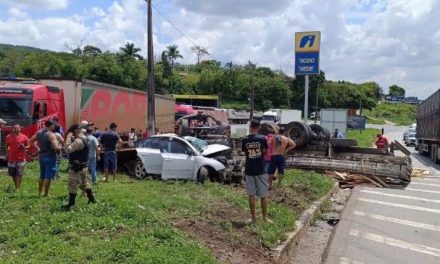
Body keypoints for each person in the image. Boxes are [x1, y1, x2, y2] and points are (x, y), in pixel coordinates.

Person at [61, 124, 96, 211]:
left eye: (72, 132)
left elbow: (67, 150)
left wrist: (68, 139)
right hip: (83, 166)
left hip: (77, 168)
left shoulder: (78, 141)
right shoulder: (83, 138)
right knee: (84, 184)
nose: (72, 134)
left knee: (72, 184)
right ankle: (92, 199)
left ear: (76, 131)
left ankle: (71, 203)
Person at [242, 119, 269, 224]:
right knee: (263, 195)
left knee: (251, 195)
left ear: (250, 127)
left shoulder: (245, 139)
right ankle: (265, 218)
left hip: (249, 169)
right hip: (260, 169)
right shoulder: (262, 138)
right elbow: (265, 151)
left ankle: (253, 218)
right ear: (259, 127)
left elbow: (245, 152)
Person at [29, 119, 62, 197]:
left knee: (42, 176)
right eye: (54, 125)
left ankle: (40, 193)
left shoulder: (39, 132)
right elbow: (56, 148)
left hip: (41, 156)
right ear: (51, 125)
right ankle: (46, 194)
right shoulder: (51, 135)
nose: (54, 126)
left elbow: (30, 141)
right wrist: (59, 149)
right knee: (48, 177)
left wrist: (37, 148)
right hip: (50, 157)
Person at [5, 124, 29, 191]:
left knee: (19, 174)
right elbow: (6, 146)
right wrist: (7, 154)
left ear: (20, 128)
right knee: (13, 174)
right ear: (12, 129)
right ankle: (16, 186)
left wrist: (24, 147)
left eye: (17, 128)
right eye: (15, 128)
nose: (16, 129)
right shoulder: (8, 137)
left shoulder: (24, 137)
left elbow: (29, 145)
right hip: (11, 158)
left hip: (21, 158)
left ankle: (17, 188)